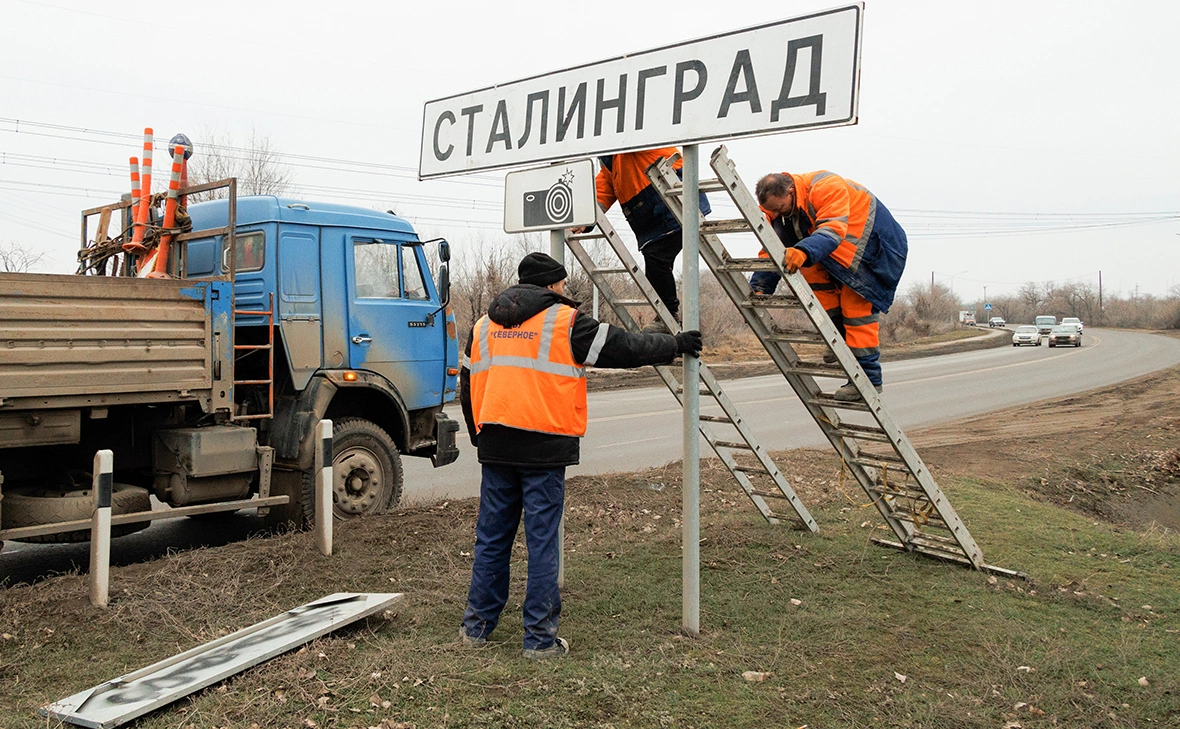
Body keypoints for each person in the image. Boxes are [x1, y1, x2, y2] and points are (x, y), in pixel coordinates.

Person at [459, 252, 702, 659]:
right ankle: (538, 640)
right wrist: (674, 345)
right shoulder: (563, 321)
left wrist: (477, 436)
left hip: (496, 445)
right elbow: (624, 348)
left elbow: (467, 385)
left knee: (491, 540)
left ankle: (476, 629)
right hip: (544, 447)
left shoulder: (482, 326)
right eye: (561, 285)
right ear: (552, 286)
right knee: (542, 545)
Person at [749, 171, 908, 401]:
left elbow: (832, 231)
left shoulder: (825, 186)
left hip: (874, 254)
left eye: (779, 208)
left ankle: (868, 380)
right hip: (835, 254)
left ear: (790, 192)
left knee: (856, 311)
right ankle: (840, 339)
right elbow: (772, 248)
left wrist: (802, 251)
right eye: (770, 210)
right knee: (812, 279)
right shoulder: (776, 208)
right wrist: (760, 286)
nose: (774, 214)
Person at [576, 148, 711, 333]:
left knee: (657, 261)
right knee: (655, 264)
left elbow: (638, 134)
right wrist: (585, 217)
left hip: (672, 201)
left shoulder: (629, 140)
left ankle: (668, 318)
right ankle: (668, 319)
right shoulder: (611, 159)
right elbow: (605, 187)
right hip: (654, 215)